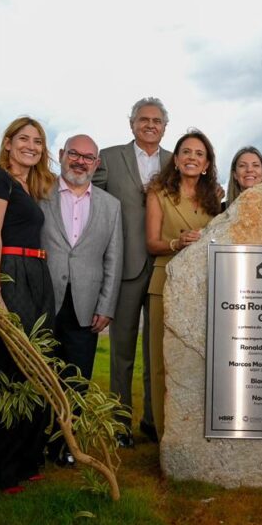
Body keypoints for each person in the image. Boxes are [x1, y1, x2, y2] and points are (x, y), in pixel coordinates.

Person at [0, 117, 57, 491]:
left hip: (37, 273)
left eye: (37, 141)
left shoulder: (30, 186)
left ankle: (25, 459)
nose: (31, 146)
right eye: (24, 138)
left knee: (36, 366)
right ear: (8, 143)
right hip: (12, 272)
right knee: (10, 366)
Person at [93, 97, 173, 447]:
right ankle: (119, 425)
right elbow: (93, 205)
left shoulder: (175, 161)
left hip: (164, 268)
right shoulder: (110, 158)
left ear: (165, 127)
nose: (150, 125)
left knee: (158, 351)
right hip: (124, 266)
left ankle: (153, 422)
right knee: (121, 351)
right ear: (132, 124)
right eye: (144, 119)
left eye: (157, 121)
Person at [40, 134, 123, 466]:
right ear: (61, 154)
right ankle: (33, 441)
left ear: (96, 164)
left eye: (88, 157)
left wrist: (106, 305)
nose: (80, 161)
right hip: (43, 300)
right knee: (39, 375)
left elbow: (113, 259)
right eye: (74, 154)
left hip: (86, 306)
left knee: (76, 380)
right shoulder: (39, 193)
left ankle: (66, 446)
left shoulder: (110, 205)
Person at [145, 129, 222, 440]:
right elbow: (151, 243)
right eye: (186, 152)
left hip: (205, 286)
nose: (192, 158)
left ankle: (197, 437)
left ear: (206, 164)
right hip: (165, 280)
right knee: (161, 362)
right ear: (175, 160)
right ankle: (165, 436)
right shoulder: (157, 194)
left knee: (200, 362)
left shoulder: (214, 197)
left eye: (199, 154)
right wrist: (177, 243)